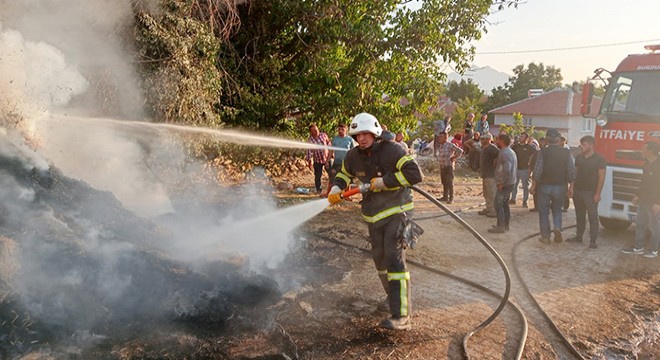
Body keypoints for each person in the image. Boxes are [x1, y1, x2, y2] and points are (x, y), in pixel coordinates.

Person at [328, 112, 423, 330]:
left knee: (393, 257)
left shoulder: (392, 150)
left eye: (365, 134)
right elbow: (344, 174)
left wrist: (385, 182)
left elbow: (415, 174)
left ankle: (402, 315)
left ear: (375, 132)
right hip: (373, 214)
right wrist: (336, 187)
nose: (361, 138)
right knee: (379, 258)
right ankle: (393, 297)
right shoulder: (353, 156)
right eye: (357, 135)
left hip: (398, 211)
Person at [531, 129, 576, 244]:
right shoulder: (566, 153)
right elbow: (571, 171)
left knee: (544, 212)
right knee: (557, 209)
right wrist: (571, 187)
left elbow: (537, 170)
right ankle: (557, 227)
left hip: (545, 185)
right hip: (560, 186)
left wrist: (533, 186)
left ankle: (545, 237)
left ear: (547, 139)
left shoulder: (543, 152)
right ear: (558, 139)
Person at [621, 141, 660, 258]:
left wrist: (658, 203)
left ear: (651, 151)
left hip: (654, 203)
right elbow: (643, 183)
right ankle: (638, 247)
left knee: (654, 227)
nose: (641, 151)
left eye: (644, 150)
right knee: (640, 224)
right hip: (643, 200)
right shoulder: (647, 164)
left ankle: (653, 250)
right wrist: (637, 195)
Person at [567, 136, 606, 249]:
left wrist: (598, 193)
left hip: (591, 192)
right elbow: (575, 173)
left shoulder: (599, 159)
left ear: (591, 145)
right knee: (580, 215)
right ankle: (579, 236)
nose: (581, 147)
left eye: (583, 144)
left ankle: (592, 240)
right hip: (578, 191)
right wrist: (572, 187)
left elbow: (601, 178)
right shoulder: (579, 157)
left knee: (593, 217)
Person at [488, 134, 517, 233]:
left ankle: (500, 227)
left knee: (498, 204)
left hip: (505, 184)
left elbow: (507, 170)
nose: (495, 141)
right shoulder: (510, 151)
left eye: (497, 140)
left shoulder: (505, 153)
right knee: (504, 204)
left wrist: (502, 183)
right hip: (510, 182)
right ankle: (505, 225)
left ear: (502, 141)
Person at [323, 123, 355, 196]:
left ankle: (347, 195)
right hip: (337, 162)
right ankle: (328, 193)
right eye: (339, 129)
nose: (340, 131)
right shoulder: (335, 139)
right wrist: (327, 161)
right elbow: (331, 151)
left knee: (347, 179)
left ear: (346, 130)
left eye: (342, 129)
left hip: (346, 163)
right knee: (332, 178)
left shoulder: (350, 140)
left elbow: (353, 152)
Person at [434, 131, 463, 204]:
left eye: (441, 137)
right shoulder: (440, 146)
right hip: (442, 166)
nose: (439, 138)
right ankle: (445, 196)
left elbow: (460, 151)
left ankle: (451, 198)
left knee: (450, 182)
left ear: (446, 138)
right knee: (444, 182)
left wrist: (454, 157)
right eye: (439, 137)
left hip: (449, 166)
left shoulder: (450, 145)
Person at [510, 132, 535, 207]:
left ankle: (525, 201)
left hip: (525, 169)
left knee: (525, 186)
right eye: (520, 136)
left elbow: (534, 154)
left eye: (522, 137)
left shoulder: (530, 148)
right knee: (514, 185)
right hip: (516, 168)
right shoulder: (515, 146)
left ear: (526, 139)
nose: (520, 138)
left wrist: (530, 164)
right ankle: (513, 199)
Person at [306, 124, 331, 193]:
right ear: (311, 132)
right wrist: (309, 161)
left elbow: (329, 143)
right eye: (314, 131)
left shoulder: (323, 135)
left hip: (327, 159)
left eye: (317, 130)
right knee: (317, 176)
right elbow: (309, 151)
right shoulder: (310, 140)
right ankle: (318, 190)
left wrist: (331, 154)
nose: (316, 131)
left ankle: (333, 189)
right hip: (317, 160)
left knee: (332, 174)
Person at [478, 133, 499, 217]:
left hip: (491, 175)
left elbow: (500, 154)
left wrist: (496, 161)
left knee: (492, 193)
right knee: (486, 193)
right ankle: (489, 208)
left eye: (483, 139)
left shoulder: (492, 148)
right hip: (485, 174)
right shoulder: (484, 148)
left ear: (488, 139)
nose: (481, 140)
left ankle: (494, 210)